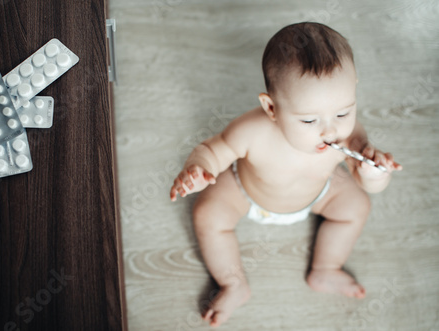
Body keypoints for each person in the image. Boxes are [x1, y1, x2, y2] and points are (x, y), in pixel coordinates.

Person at [169, 22, 402, 328]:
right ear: (271, 108)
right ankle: (233, 283)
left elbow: (369, 184)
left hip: (318, 193)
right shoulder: (251, 130)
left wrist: (374, 172)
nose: (330, 129)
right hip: (247, 192)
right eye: (308, 119)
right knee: (207, 213)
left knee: (357, 206)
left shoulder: (349, 135)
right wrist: (199, 170)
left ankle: (326, 267)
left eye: (343, 112)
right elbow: (214, 150)